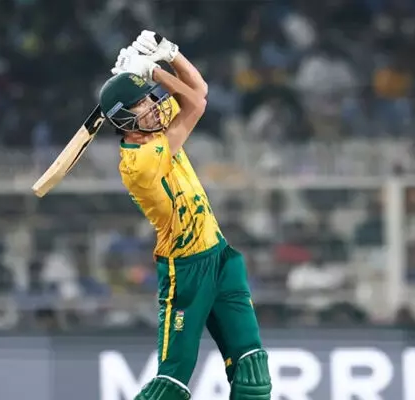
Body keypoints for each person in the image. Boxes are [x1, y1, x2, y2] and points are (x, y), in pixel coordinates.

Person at [98, 30, 272, 400]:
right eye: (141, 105)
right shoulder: (140, 162)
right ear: (122, 121)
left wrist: (168, 52)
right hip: (185, 269)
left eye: (150, 98)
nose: (153, 106)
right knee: (172, 382)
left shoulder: (158, 130)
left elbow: (199, 89)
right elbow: (196, 103)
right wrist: (154, 71)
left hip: (219, 255)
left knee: (253, 370)